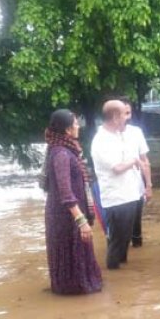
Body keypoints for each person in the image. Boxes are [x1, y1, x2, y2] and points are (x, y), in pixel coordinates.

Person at [43, 109, 102, 295]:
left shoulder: (64, 149)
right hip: (66, 216)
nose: (79, 127)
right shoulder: (61, 154)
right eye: (76, 124)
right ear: (68, 130)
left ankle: (77, 287)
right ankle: (75, 289)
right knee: (71, 252)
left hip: (69, 212)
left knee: (78, 253)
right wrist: (81, 220)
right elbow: (65, 192)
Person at [91, 100, 143, 269]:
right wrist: (134, 160)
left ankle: (123, 284)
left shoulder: (118, 135)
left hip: (129, 194)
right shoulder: (101, 140)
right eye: (123, 114)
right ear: (114, 117)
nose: (126, 118)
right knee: (116, 242)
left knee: (124, 240)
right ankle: (114, 278)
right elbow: (117, 168)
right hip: (116, 197)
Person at [120, 97, 153, 248]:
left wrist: (149, 185)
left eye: (129, 112)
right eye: (123, 112)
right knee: (117, 230)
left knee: (136, 227)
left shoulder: (136, 132)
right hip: (115, 191)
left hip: (136, 186)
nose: (127, 116)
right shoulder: (104, 134)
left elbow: (145, 160)